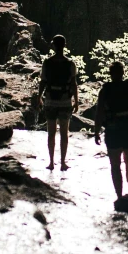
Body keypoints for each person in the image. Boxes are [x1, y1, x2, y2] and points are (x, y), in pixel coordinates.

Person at [94, 61, 128, 204]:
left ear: (110, 73)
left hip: (113, 130)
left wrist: (96, 131)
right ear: (123, 72)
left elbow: (99, 112)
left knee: (115, 164)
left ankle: (119, 195)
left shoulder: (106, 89)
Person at [38, 34, 78, 171]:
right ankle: (62, 163)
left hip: (50, 101)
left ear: (53, 45)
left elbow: (43, 82)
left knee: (51, 133)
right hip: (65, 101)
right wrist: (76, 101)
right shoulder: (70, 64)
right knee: (64, 133)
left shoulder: (47, 63)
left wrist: (39, 97)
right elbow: (74, 84)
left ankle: (51, 162)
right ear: (64, 45)